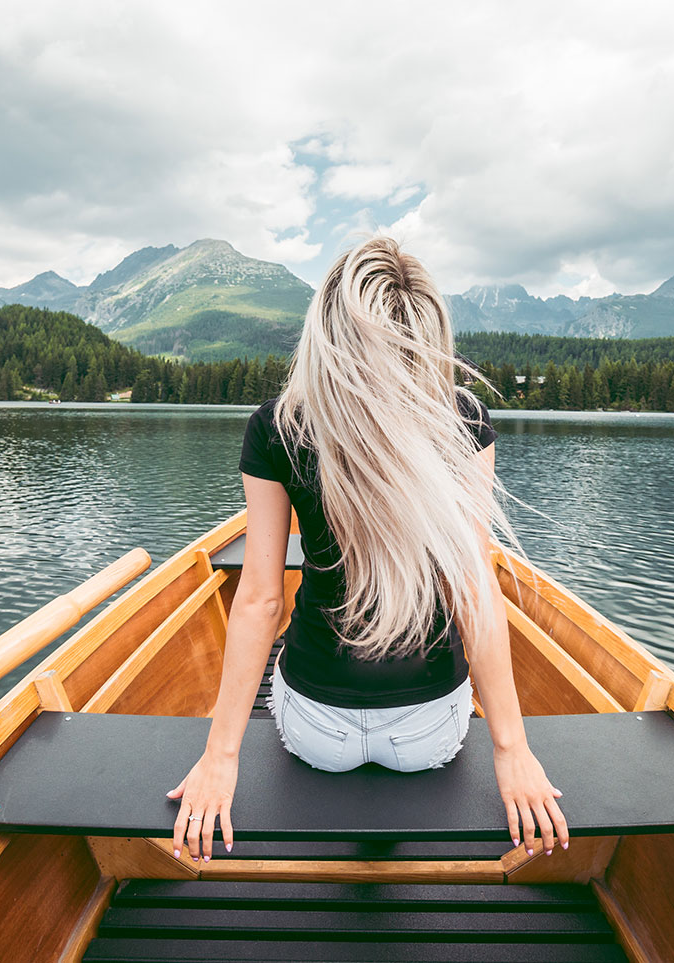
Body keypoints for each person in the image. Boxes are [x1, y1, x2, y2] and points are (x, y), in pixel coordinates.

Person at [166, 235, 567, 865]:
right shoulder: (461, 420)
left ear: (325, 332)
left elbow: (262, 602)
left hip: (315, 730)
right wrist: (513, 751)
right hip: (428, 732)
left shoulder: (278, 425)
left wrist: (220, 757)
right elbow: (473, 590)